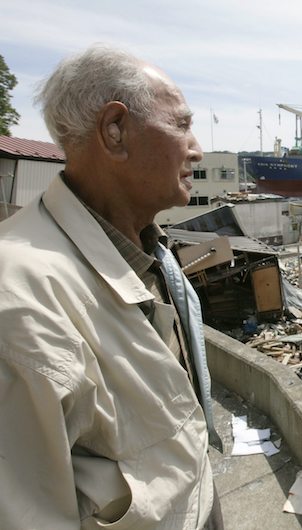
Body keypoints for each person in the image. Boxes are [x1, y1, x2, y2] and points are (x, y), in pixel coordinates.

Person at [0, 45, 223, 529]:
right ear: (115, 131)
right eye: (182, 125)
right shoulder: (19, 299)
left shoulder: (152, 251)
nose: (197, 148)